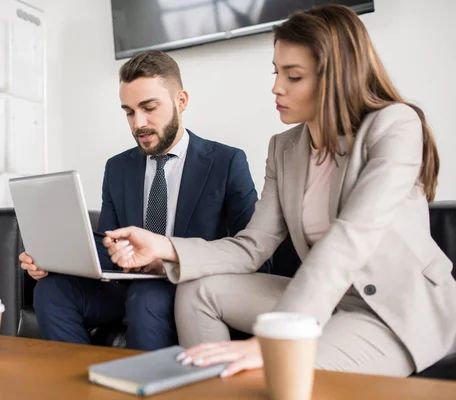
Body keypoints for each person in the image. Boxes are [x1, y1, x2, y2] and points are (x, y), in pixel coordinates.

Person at [104, 5, 456, 376]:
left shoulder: (395, 126)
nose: (276, 87)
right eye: (277, 72)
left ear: (335, 76)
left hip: (394, 309)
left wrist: (273, 341)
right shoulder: (285, 148)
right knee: (197, 289)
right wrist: (165, 247)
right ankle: (208, 385)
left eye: (294, 76)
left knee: (279, 367)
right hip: (328, 300)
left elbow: (351, 237)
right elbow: (251, 246)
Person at [19, 50, 269, 351]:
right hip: (128, 285)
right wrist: (53, 260)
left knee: (147, 298)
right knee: (50, 290)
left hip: (187, 284)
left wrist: (168, 260)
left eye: (149, 108)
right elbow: (108, 244)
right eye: (129, 111)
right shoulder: (117, 168)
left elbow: (256, 255)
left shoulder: (226, 162)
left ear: (181, 101)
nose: (139, 123)